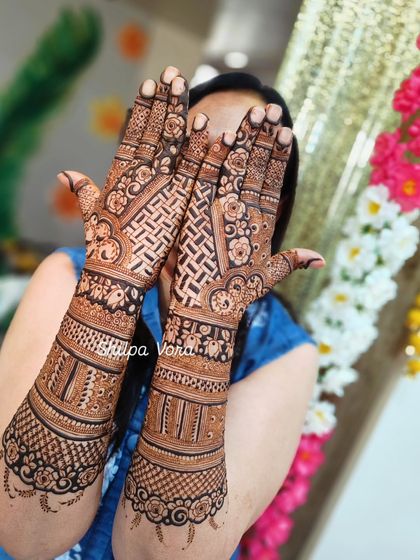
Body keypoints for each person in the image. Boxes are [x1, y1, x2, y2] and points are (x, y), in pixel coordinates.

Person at [0, 66, 324, 560]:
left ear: (270, 214)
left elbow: (166, 554)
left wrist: (203, 324)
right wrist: (110, 294)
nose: (195, 202)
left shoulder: (282, 353)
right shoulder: (68, 278)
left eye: (226, 181)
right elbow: (24, 535)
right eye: (183, 164)